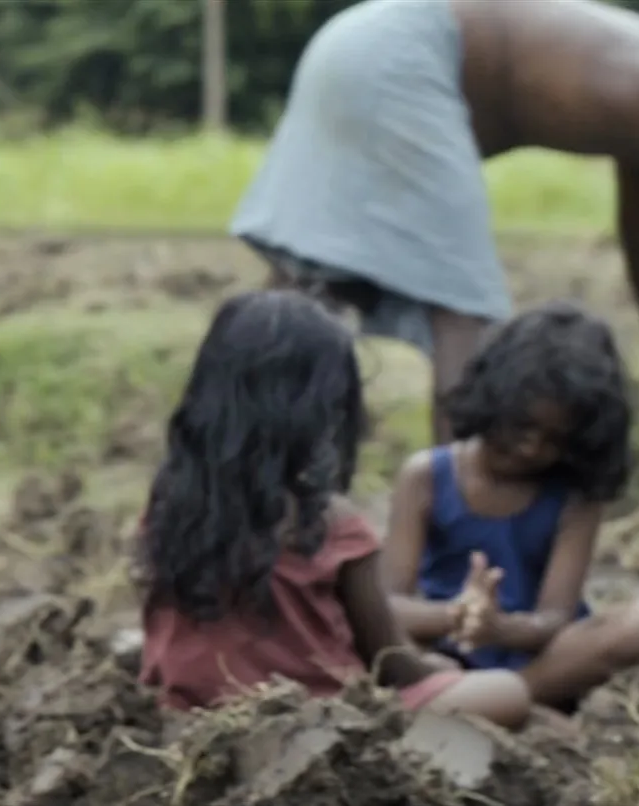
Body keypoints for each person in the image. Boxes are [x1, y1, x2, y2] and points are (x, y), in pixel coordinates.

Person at [230, 0, 639, 444]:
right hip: (408, 55)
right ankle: (457, 502)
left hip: (364, 37)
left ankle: (240, 433)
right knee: (464, 308)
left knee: (311, 274)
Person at [137, 290, 531, 729]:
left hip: (194, 716)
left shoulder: (169, 506)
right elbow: (390, 660)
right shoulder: (330, 521)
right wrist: (440, 670)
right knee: (506, 691)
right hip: (318, 722)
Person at [381, 300, 639, 712]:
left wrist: (500, 628)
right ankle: (499, 704)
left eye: (555, 439)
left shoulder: (574, 497)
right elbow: (389, 606)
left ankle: (506, 699)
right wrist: (459, 616)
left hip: (533, 655)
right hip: (445, 650)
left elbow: (553, 618)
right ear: (493, 402)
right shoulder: (427, 476)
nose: (531, 448)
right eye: (522, 427)